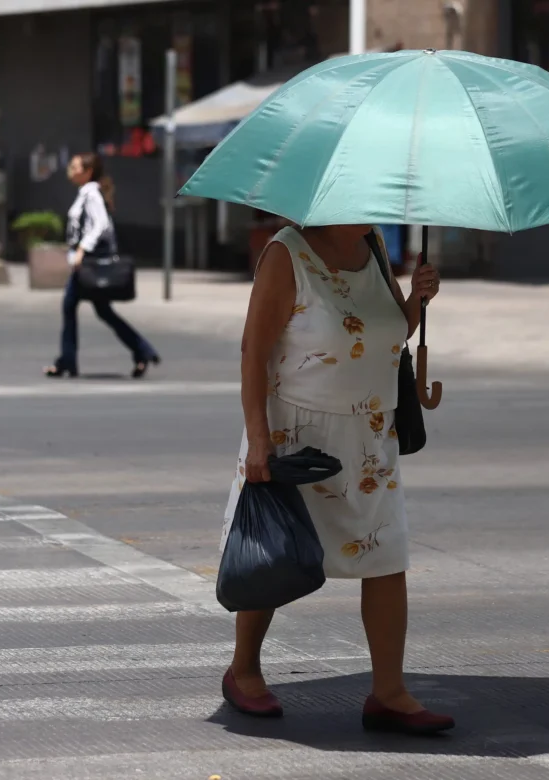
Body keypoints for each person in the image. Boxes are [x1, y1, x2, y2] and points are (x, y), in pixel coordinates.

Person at [221, 223, 454, 735]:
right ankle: (243, 669)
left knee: (387, 555)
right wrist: (259, 438)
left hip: (371, 433)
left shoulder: (371, 245)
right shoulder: (286, 254)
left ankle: (389, 692)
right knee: (276, 552)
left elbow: (390, 329)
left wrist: (416, 298)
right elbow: (252, 354)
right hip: (297, 431)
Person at [44, 153, 160, 379]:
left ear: (87, 172)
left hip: (90, 263)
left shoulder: (91, 193)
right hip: (88, 262)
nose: (71, 168)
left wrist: (82, 249)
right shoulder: (86, 193)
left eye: (75, 166)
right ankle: (142, 351)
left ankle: (68, 362)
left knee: (71, 306)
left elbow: (101, 224)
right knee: (101, 311)